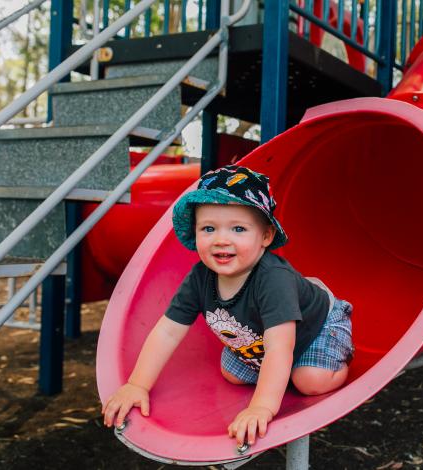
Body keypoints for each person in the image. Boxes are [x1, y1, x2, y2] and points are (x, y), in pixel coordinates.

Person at [101, 165, 353, 448]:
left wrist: (262, 407)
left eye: (238, 229)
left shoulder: (273, 279)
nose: (222, 239)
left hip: (318, 327)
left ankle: (338, 359)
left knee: (309, 380)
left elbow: (280, 347)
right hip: (266, 339)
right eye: (208, 228)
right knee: (232, 374)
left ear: (266, 237)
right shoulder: (200, 277)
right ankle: (282, 371)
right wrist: (137, 385)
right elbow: (167, 331)